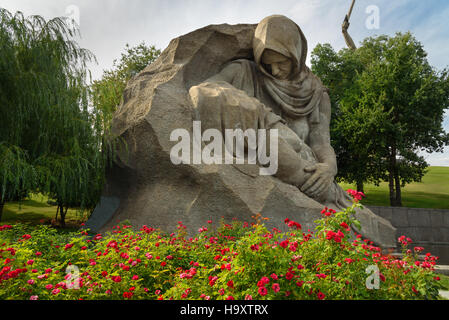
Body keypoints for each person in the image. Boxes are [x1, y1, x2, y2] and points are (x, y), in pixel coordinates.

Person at [189, 15, 352, 208]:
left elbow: (320, 141)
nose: (274, 70)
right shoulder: (243, 71)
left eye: (281, 62)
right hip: (259, 164)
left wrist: (329, 168)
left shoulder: (317, 94)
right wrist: (251, 107)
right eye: (267, 64)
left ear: (295, 54)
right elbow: (204, 90)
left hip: (307, 168)